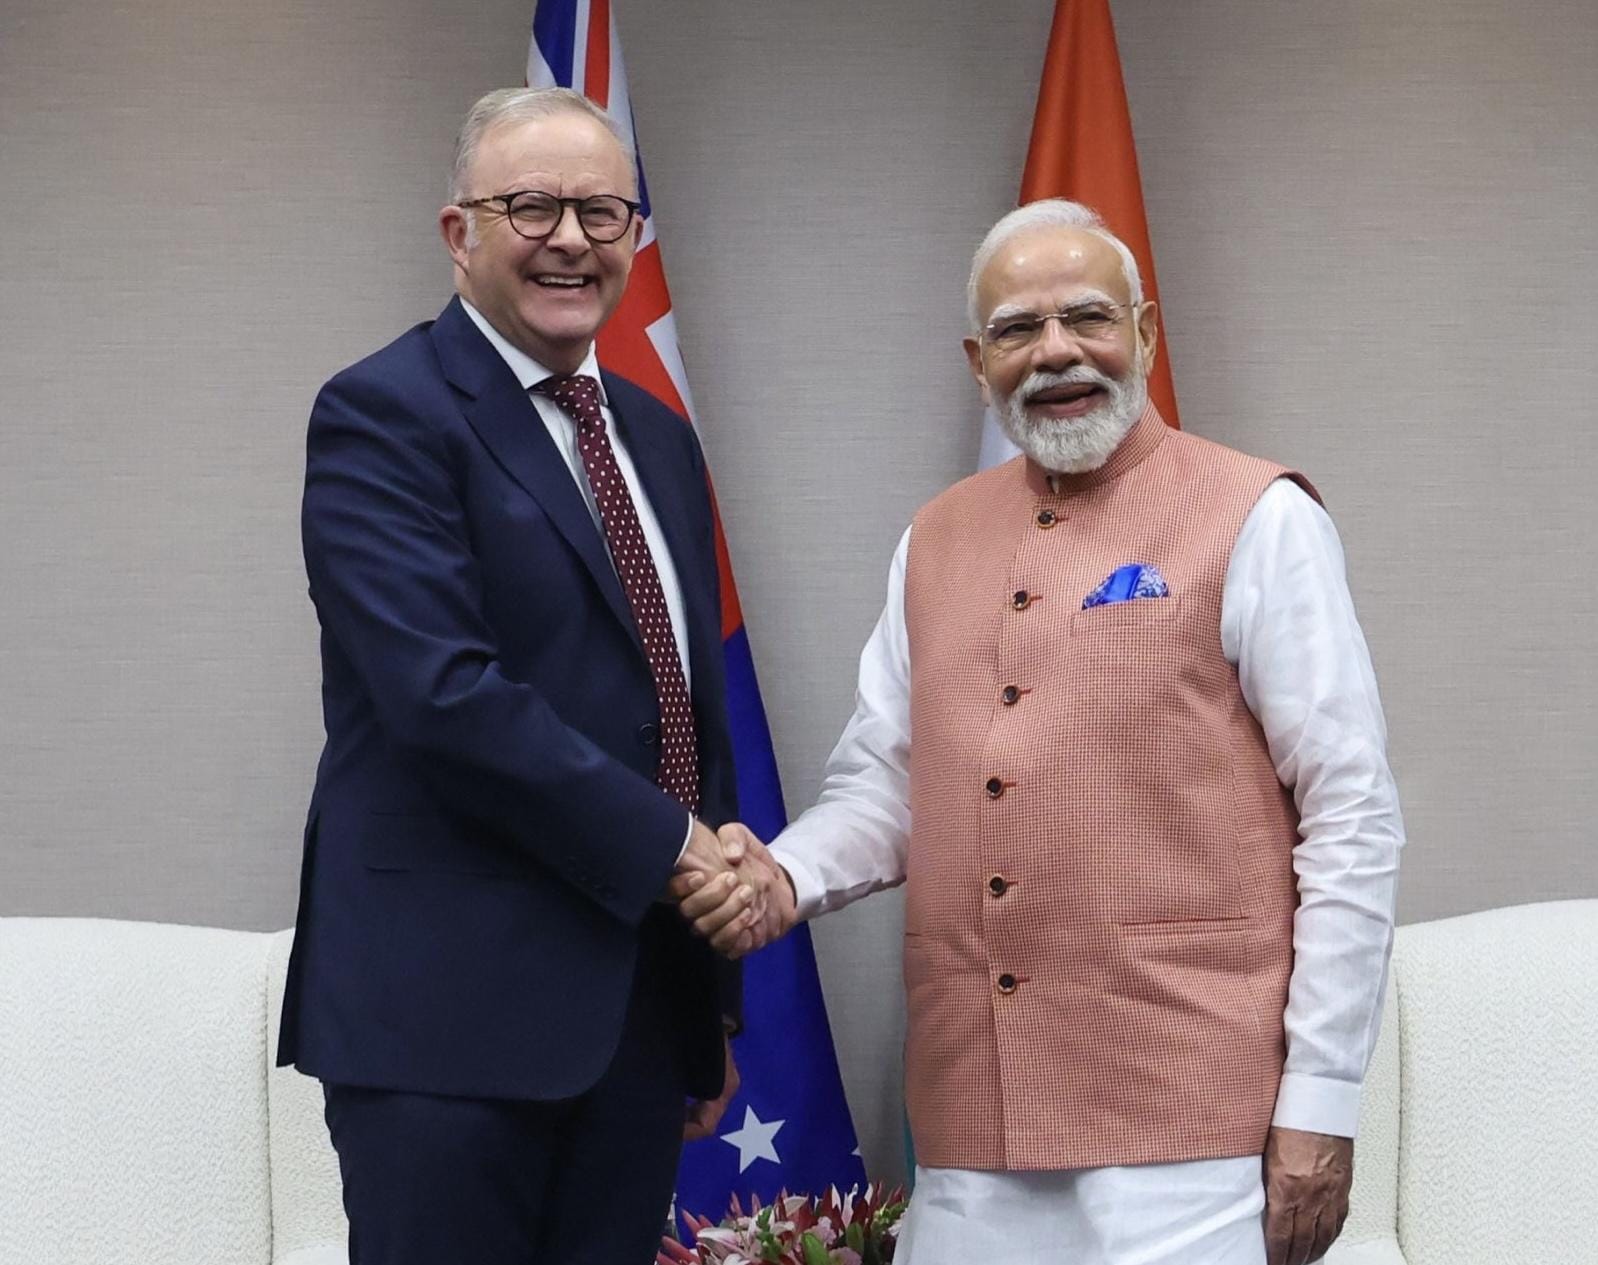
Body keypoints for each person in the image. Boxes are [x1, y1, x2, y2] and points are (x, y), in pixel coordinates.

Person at [676, 199, 1404, 1265]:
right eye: (1017, 328)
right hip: (971, 1130)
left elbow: (1352, 815)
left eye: (1088, 317)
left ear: (1143, 334)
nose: (1056, 349)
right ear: (980, 364)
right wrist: (782, 876)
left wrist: (1322, 1097)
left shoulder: (1260, 516)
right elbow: (888, 784)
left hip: (1192, 1133)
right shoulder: (934, 538)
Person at [277, 86, 759, 1265]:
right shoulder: (383, 414)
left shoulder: (655, 437)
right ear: (460, 233)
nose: (570, 239)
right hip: (446, 1024)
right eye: (532, 206)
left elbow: (677, 705)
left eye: (602, 212)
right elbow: (443, 696)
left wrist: (704, 996)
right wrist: (679, 849)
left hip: (634, 1016)